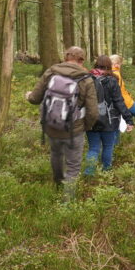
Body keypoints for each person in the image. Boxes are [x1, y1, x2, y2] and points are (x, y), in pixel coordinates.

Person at [25, 46, 98, 198]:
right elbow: (92, 111)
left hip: (51, 126)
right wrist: (86, 126)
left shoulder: (51, 72)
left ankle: (58, 184)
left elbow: (34, 98)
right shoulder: (86, 79)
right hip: (74, 129)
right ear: (82, 60)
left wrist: (28, 96)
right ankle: (67, 201)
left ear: (65, 57)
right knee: (73, 165)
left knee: (56, 154)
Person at [85, 55, 133, 175]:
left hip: (91, 119)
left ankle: (89, 173)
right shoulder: (112, 80)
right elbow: (119, 101)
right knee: (108, 146)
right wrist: (128, 119)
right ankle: (106, 171)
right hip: (110, 121)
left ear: (96, 64)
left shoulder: (87, 79)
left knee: (93, 148)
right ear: (109, 65)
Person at [110, 54, 135, 145]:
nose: (120, 66)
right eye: (120, 64)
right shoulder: (116, 74)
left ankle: (115, 147)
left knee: (115, 123)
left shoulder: (107, 74)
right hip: (127, 104)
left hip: (113, 106)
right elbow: (118, 93)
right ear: (116, 64)